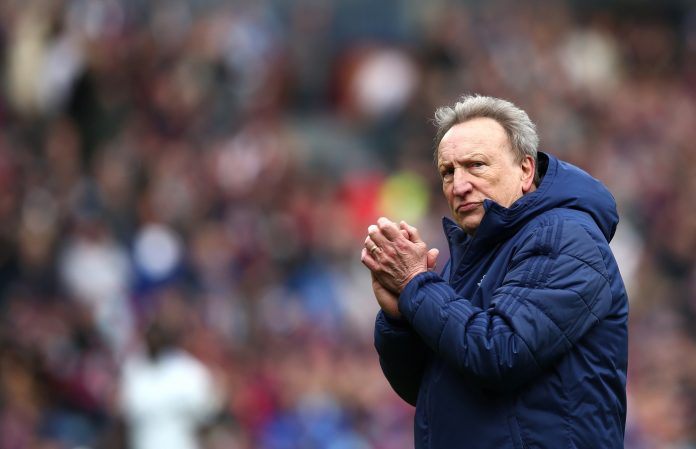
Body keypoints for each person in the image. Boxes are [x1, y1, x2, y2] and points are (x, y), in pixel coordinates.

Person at [361, 94, 628, 448]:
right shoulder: (476, 254)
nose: (459, 185)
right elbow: (425, 386)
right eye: (448, 172)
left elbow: (501, 352)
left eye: (476, 166)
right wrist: (400, 319)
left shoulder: (564, 236)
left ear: (525, 170)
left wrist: (416, 285)